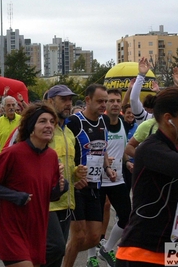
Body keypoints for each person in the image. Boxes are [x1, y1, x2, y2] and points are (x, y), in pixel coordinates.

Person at [115, 87, 178, 267]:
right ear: (168, 119)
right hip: (141, 253)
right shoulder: (151, 148)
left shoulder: (174, 150)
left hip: (171, 249)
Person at [0, 102, 65, 267]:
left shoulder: (51, 156)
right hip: (12, 229)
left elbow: (51, 195)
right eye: (42, 121)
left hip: (37, 230)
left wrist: (62, 186)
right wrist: (15, 196)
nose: (49, 126)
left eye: (52, 122)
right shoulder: (13, 154)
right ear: (31, 127)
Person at [63, 84, 116, 267]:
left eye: (106, 101)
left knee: (94, 237)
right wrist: (73, 175)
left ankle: (59, 252)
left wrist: (108, 168)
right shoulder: (74, 122)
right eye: (100, 101)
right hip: (77, 185)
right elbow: (63, 149)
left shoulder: (104, 121)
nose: (104, 105)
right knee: (78, 236)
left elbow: (102, 149)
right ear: (88, 100)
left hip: (95, 185)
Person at [43, 85, 87, 267]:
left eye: (70, 100)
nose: (68, 104)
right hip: (46, 201)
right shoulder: (43, 128)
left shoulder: (68, 132)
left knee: (58, 250)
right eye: (64, 99)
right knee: (55, 246)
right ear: (50, 102)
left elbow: (68, 165)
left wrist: (77, 173)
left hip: (66, 199)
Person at [94, 89, 132, 267]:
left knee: (126, 216)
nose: (116, 104)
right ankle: (90, 258)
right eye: (111, 101)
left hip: (118, 178)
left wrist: (127, 161)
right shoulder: (99, 123)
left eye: (118, 101)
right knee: (95, 221)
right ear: (105, 105)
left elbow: (122, 147)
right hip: (99, 178)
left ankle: (107, 248)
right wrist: (103, 161)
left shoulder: (123, 122)